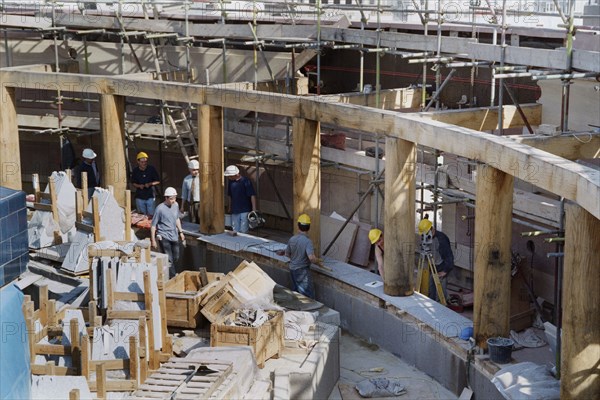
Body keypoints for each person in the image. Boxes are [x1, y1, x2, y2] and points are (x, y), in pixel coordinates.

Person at [277, 214, 317, 298]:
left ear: (298, 226)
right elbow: (311, 258)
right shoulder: (307, 241)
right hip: (302, 271)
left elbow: (287, 254)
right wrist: (316, 260)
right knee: (307, 296)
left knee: (296, 293)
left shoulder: (292, 239)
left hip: (292, 269)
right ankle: (309, 310)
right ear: (309, 227)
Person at [418, 217, 454, 303]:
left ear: (432, 229)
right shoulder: (428, 238)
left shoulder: (441, 239)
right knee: (431, 289)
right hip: (433, 267)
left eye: (426, 233)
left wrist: (445, 271)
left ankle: (441, 310)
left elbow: (449, 256)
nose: (424, 236)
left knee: (440, 293)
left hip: (441, 268)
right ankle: (432, 303)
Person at [151, 187, 185, 278]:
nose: (173, 200)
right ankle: (173, 277)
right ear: (166, 198)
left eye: (174, 198)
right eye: (171, 199)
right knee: (169, 259)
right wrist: (153, 240)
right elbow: (153, 225)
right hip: (164, 236)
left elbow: (177, 218)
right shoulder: (160, 209)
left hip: (174, 235)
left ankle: (168, 272)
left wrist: (181, 232)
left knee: (176, 257)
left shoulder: (176, 205)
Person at [224, 165, 257, 234]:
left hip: (245, 209)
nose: (228, 177)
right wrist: (230, 207)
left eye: (230, 176)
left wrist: (254, 209)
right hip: (235, 209)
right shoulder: (231, 182)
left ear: (236, 174)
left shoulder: (245, 181)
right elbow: (230, 196)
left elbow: (252, 195)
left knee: (243, 229)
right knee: (235, 228)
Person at [130, 151, 160, 216]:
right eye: (142, 162)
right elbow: (133, 182)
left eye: (145, 162)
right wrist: (139, 186)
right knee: (141, 215)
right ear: (138, 162)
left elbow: (158, 181)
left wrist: (150, 184)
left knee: (151, 215)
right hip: (139, 196)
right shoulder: (135, 171)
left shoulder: (151, 169)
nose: (144, 163)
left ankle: (151, 225)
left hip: (150, 196)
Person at [181, 159, 200, 224]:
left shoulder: (202, 179)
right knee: (192, 221)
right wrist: (182, 206)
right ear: (189, 169)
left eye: (197, 169)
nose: (196, 171)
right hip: (191, 203)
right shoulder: (186, 179)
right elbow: (184, 194)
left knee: (201, 220)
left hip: (200, 203)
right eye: (194, 170)